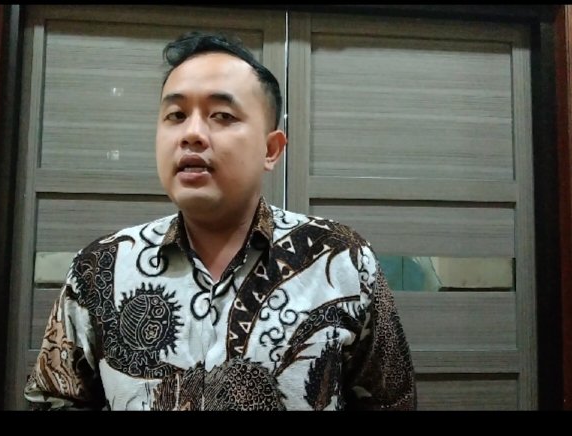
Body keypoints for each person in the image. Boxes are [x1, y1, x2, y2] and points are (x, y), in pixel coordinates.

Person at [24, 30, 416, 411]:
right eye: (176, 115)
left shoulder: (341, 259)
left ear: (271, 149)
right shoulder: (100, 267)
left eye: (222, 115)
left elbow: (391, 401)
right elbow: (54, 401)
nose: (192, 134)